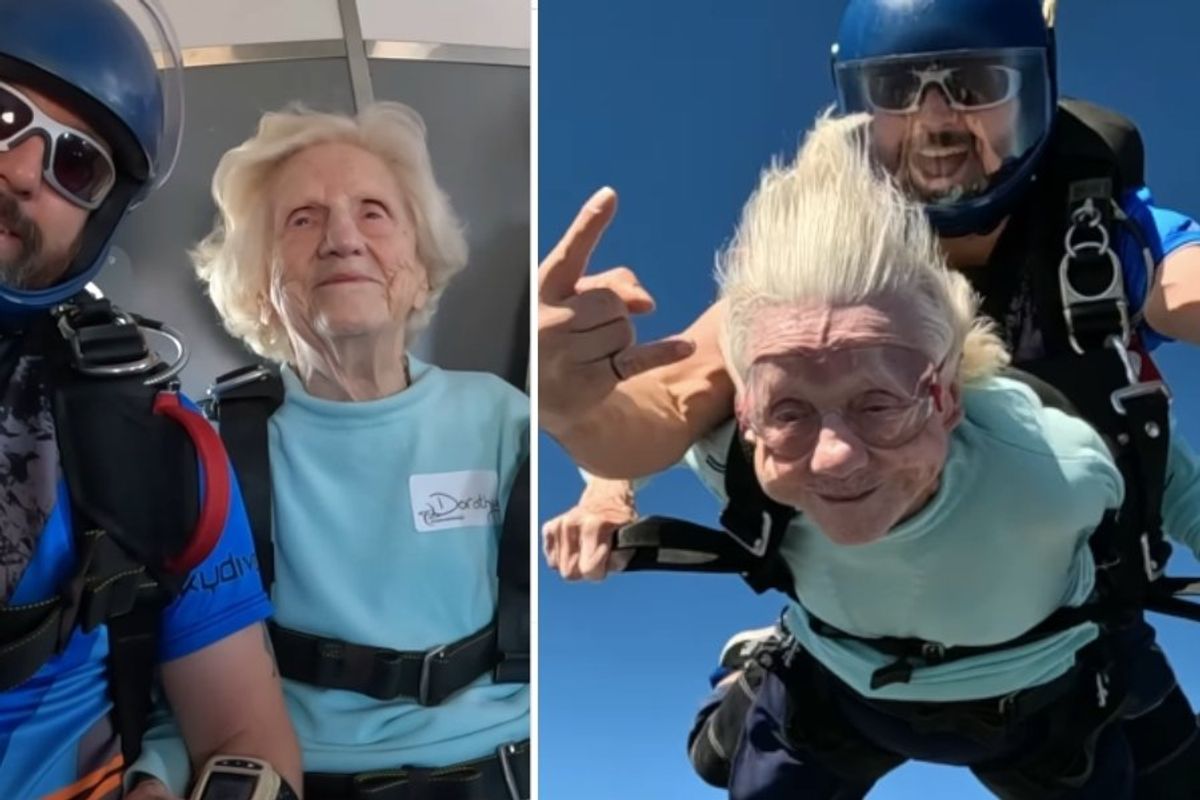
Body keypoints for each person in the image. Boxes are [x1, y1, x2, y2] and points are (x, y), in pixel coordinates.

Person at [539, 0, 1200, 793]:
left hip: (1061, 628)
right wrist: (579, 424)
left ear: (1037, 89)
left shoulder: (1101, 240)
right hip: (848, 658)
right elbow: (669, 400)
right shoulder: (812, 281)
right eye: (896, 91)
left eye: (975, 83)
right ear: (856, 106)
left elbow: (1186, 287)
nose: (936, 126)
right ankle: (786, 654)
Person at [132, 102, 531, 800]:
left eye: (374, 211)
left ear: (420, 257)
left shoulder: (503, 418)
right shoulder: (213, 447)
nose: (343, 240)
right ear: (258, 281)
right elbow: (197, 681)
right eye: (303, 219)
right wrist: (159, 778)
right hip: (295, 777)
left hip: (508, 767)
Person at [0, 1, 302, 798]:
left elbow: (245, 736)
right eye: (3, 113)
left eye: (78, 164)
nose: (26, 170)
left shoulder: (156, 443)